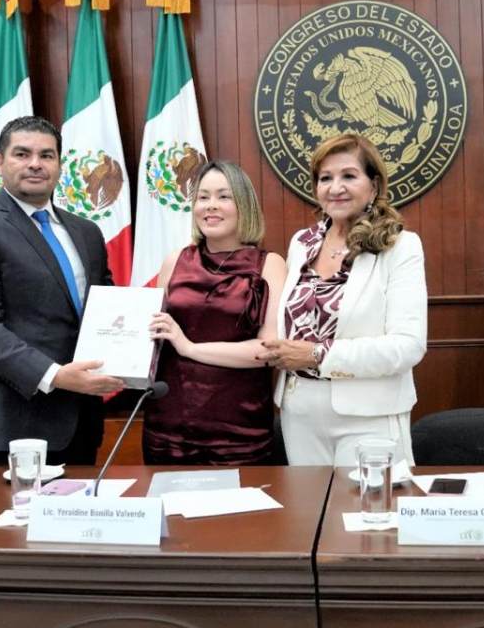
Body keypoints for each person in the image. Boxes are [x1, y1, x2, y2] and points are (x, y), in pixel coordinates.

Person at [0, 116, 123, 465]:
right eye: (22, 154)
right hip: (10, 424)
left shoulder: (86, 232)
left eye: (46, 155)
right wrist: (54, 376)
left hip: (80, 422)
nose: (35, 164)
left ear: (60, 164)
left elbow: (104, 310)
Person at [260, 133, 427, 466]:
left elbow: (408, 346)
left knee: (369, 502)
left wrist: (317, 354)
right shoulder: (302, 243)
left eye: (349, 176)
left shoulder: (401, 246)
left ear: (374, 186)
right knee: (309, 503)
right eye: (325, 178)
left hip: (370, 415)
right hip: (299, 413)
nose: (335, 188)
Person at [146, 161, 286, 464]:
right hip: (168, 425)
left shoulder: (270, 264)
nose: (211, 205)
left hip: (238, 430)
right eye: (203, 197)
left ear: (244, 205)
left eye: (224, 196)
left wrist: (189, 348)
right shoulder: (175, 261)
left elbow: (268, 350)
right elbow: (152, 337)